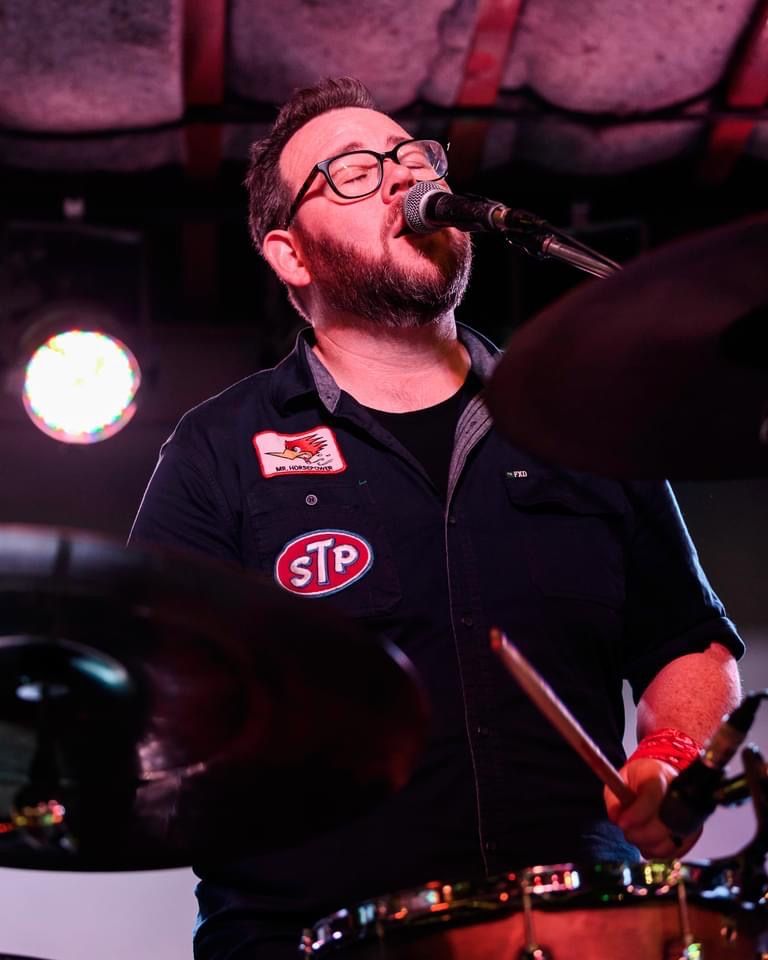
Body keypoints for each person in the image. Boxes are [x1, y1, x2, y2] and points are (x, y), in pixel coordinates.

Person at [129, 77, 743, 959]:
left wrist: (673, 757)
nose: (399, 177)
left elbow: (688, 641)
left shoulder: (583, 419)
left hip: (577, 927)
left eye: (411, 157)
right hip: (313, 939)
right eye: (352, 171)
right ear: (291, 255)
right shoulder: (216, 449)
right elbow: (150, 694)